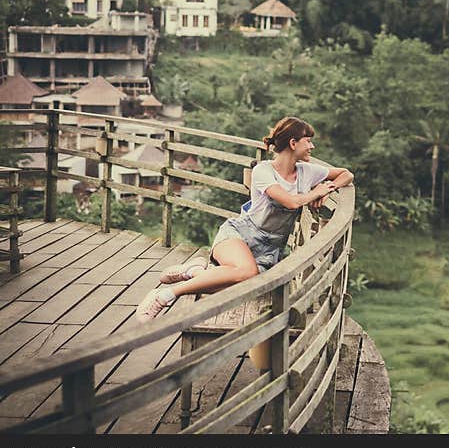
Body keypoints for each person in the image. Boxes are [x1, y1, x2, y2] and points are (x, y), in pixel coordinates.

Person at [136, 117, 354, 343]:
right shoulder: (263, 171)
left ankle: (195, 272)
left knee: (236, 289)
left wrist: (328, 188)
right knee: (246, 272)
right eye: (308, 141)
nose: (312, 146)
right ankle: (165, 295)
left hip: (269, 250)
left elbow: (346, 174)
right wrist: (315, 193)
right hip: (239, 235)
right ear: (293, 143)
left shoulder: (307, 171)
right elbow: (290, 201)